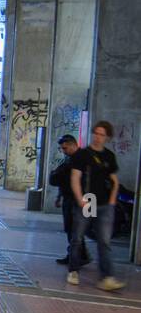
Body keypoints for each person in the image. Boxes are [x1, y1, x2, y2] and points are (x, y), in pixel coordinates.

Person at [67, 120, 125, 291]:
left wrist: (113, 200)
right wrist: (80, 199)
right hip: (88, 200)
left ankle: (106, 277)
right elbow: (75, 178)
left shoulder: (109, 156)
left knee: (104, 241)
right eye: (96, 133)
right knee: (78, 237)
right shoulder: (82, 154)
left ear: (107, 137)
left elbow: (115, 181)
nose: (98, 137)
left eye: (102, 135)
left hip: (105, 204)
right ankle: (74, 270)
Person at [49, 134, 89, 266]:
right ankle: (78, 255)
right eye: (62, 148)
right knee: (72, 229)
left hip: (78, 200)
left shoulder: (80, 159)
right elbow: (62, 181)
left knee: (75, 230)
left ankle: (76, 258)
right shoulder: (68, 160)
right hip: (69, 198)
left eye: (65, 148)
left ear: (73, 145)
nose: (63, 151)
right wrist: (59, 196)